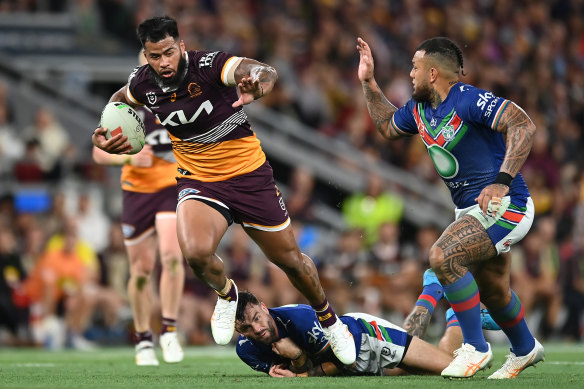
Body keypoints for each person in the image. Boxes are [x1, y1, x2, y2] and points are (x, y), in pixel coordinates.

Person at [92, 16, 355, 364]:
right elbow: (120, 98)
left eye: (169, 52)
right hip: (199, 180)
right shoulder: (143, 84)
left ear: (181, 46)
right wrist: (108, 130)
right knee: (196, 252)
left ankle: (329, 319)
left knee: (289, 261)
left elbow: (261, 71)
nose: (164, 62)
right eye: (155, 56)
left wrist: (260, 82)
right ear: (146, 55)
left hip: (249, 176)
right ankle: (228, 295)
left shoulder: (209, 65)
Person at [357, 36, 545, 378]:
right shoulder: (419, 110)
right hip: (471, 211)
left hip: (506, 203)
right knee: (494, 290)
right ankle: (525, 348)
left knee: (443, 255)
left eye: (415, 67)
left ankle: (475, 347)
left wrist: (501, 181)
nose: (410, 73)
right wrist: (369, 83)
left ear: (432, 73)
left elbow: (522, 124)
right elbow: (386, 126)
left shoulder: (467, 99)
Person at [93, 55, 185, 365]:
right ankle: (144, 339)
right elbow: (98, 152)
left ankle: (169, 330)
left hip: (170, 187)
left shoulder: (181, 96)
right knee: (142, 270)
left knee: (172, 256)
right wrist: (128, 158)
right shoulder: (126, 102)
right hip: (136, 192)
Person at [235, 291, 453, 377]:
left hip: (364, 339)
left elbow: (342, 362)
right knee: (417, 370)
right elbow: (303, 365)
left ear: (263, 307)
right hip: (350, 366)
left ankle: (446, 309)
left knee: (450, 368)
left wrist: (301, 371)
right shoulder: (246, 350)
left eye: (256, 318)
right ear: (238, 331)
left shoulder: (300, 320)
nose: (256, 329)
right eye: (246, 329)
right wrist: (298, 359)